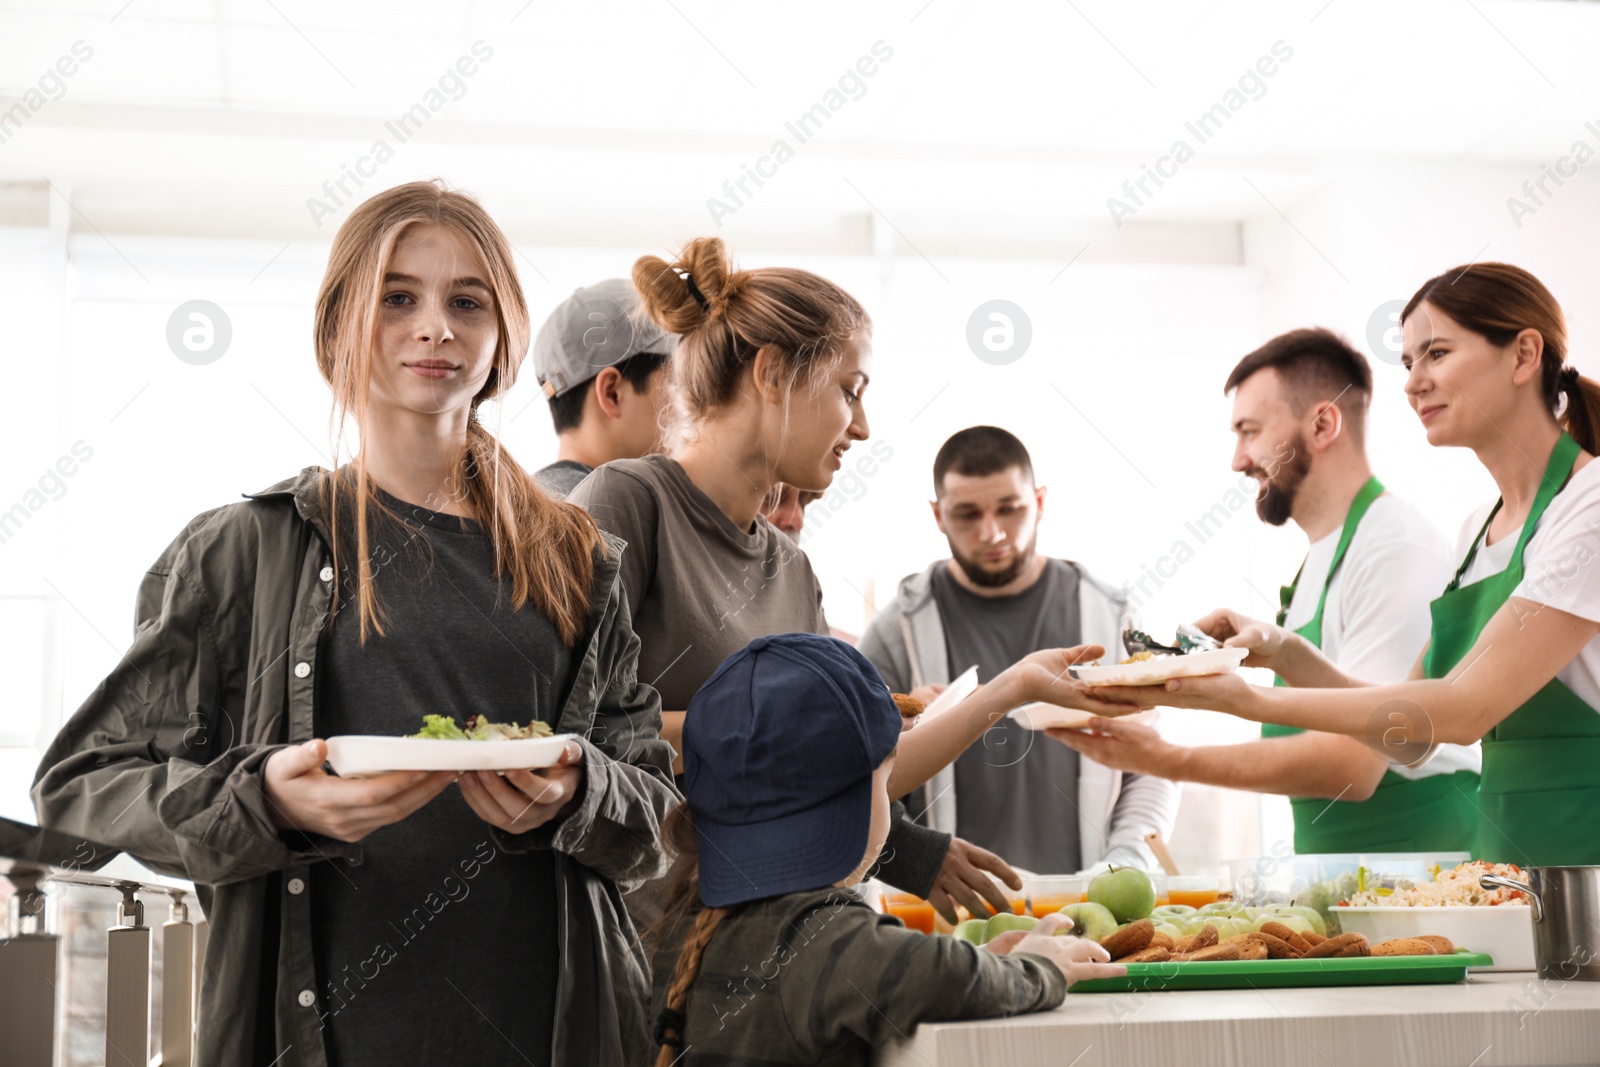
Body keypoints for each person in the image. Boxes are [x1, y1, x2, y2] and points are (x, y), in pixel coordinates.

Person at [31, 181, 679, 1067]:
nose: (436, 327)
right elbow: (80, 789)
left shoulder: (579, 558)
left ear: (503, 335)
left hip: (549, 1030)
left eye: (467, 301)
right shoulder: (241, 553)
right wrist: (265, 799)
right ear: (338, 325)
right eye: (398, 297)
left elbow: (650, 808)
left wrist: (578, 791)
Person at [568, 237, 1135, 923]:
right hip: (643, 948)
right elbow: (570, 731)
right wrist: (778, 733)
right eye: (849, 391)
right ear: (773, 374)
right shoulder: (628, 502)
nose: (861, 427)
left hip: (773, 943)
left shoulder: (790, 569)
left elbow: (857, 772)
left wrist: (1010, 687)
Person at [1093, 263, 1600, 867]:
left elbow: (1464, 710)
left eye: (1436, 353)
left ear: (1523, 355)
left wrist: (1239, 702)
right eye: (1408, 363)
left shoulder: (1588, 508)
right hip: (1520, 874)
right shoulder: (1477, 533)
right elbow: (1409, 734)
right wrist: (1287, 655)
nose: (1413, 384)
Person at [1051, 330, 1481, 853]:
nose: (1238, 460)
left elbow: (1352, 765)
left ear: (1323, 424)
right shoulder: (1321, 558)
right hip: (1356, 876)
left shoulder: (1396, 547)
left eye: (1249, 432)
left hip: (1422, 874)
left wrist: (1163, 759)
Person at [649, 633, 1124, 1066]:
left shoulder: (692, 920)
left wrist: (991, 965)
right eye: (887, 780)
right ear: (857, 801)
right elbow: (940, 979)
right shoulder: (823, 938)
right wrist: (1041, 968)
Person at [860, 427, 1180, 882]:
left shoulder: (1110, 616)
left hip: (1092, 914)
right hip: (945, 928)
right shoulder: (896, 631)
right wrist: (904, 734)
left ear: (1040, 502)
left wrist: (1127, 861)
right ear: (938, 516)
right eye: (967, 514)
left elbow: (1153, 763)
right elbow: (856, 786)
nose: (992, 533)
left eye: (1009, 510)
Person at [532, 277, 676, 498]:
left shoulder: (524, 504)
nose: (689, 404)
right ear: (613, 393)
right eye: (674, 383)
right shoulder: (611, 512)